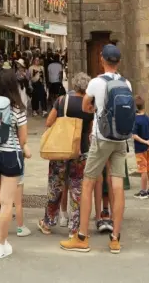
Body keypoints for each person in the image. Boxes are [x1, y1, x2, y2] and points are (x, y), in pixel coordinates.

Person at [60, 44, 132, 255]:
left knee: (89, 183)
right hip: (120, 139)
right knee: (117, 185)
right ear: (118, 62)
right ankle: (115, 238)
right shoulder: (126, 83)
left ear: (102, 59)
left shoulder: (96, 82)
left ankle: (82, 236)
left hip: (101, 139)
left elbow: (85, 106)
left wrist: (94, 108)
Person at [0, 67, 30, 259]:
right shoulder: (17, 107)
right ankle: (1, 244)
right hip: (10, 155)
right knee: (6, 202)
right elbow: (23, 138)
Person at [38, 72, 93, 237]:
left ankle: (48, 222)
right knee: (77, 190)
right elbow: (89, 131)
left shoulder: (62, 100)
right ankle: (74, 228)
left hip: (61, 150)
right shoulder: (90, 105)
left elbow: (49, 122)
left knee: (55, 186)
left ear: (74, 85)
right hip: (81, 151)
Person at [132, 95, 149, 199]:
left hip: (140, 149)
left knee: (143, 170)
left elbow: (134, 135)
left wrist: (145, 142)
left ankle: (143, 191)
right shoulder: (147, 118)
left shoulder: (135, 120)